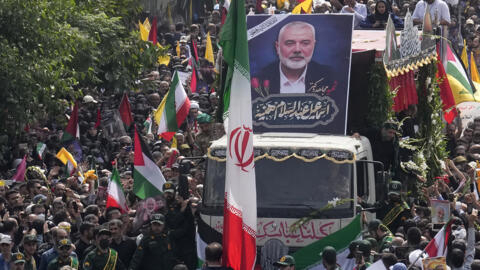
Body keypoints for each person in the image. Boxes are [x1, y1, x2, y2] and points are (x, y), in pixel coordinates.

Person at [251, 21, 334, 98]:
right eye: (289, 43)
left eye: (305, 43)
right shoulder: (258, 80)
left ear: (313, 46)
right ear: (277, 47)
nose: (297, 50)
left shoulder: (330, 78)